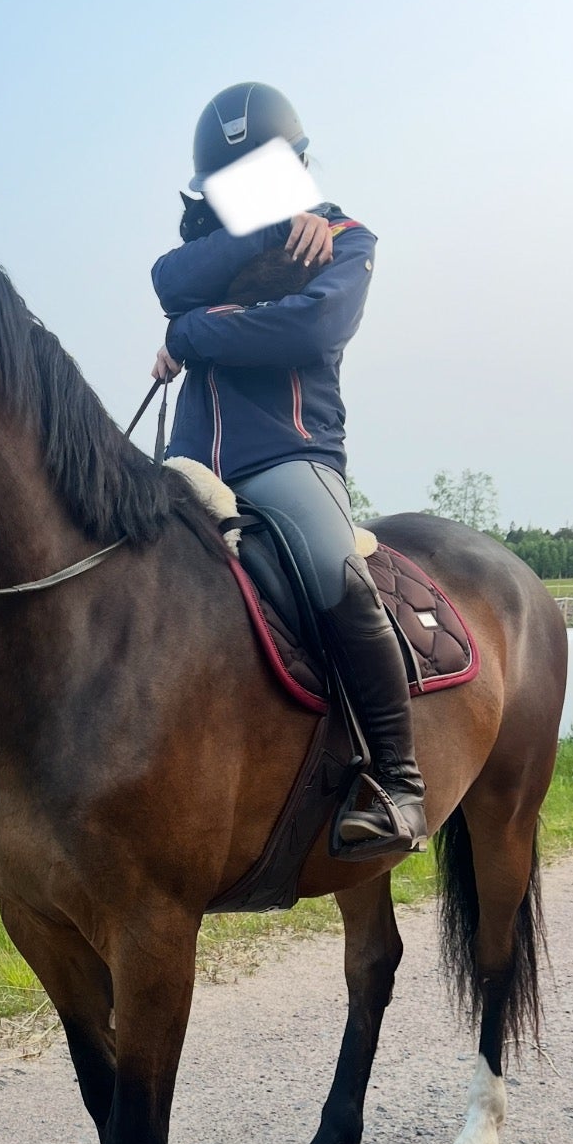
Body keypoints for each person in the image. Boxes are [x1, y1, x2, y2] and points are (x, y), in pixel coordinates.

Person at [151, 82, 426, 856]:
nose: (249, 198)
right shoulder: (207, 258)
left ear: (298, 165)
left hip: (289, 458)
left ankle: (399, 783)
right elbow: (167, 283)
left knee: (336, 570)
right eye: (235, 189)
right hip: (189, 465)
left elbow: (310, 330)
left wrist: (193, 332)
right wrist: (263, 231)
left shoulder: (345, 237)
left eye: (268, 179)